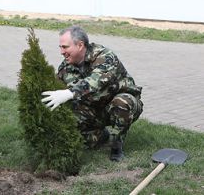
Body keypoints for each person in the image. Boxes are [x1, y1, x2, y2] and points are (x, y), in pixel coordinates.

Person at [41, 26, 143, 162]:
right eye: (60, 47)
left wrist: (69, 92)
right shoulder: (66, 67)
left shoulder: (105, 56)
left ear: (80, 45)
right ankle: (101, 136)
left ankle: (116, 144)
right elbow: (57, 90)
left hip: (120, 103)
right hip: (94, 107)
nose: (61, 52)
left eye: (65, 47)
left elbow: (96, 82)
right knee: (82, 139)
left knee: (122, 102)